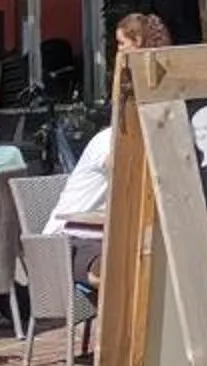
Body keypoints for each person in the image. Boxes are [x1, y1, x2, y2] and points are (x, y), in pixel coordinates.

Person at [46, 12, 172, 237]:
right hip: (69, 239)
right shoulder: (109, 142)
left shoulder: (129, 138)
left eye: (122, 44)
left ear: (139, 44)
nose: (119, 52)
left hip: (98, 235)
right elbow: (125, 171)